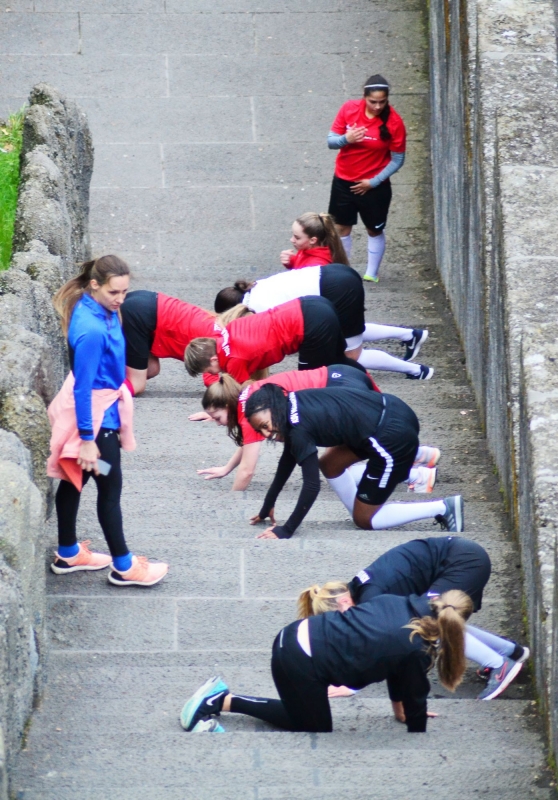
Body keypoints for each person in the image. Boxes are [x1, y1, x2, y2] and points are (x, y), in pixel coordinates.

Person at [179, 589, 473, 734]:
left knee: (311, 716)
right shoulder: (417, 648)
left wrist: (400, 712)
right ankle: (220, 699)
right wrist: (417, 730)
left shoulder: (397, 601)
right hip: (299, 660)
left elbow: (398, 671)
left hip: (296, 633)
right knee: (313, 725)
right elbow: (413, 690)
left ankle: (220, 697)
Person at [47, 256, 168, 587]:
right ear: (95, 285)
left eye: (125, 292)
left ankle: (69, 553)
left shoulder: (97, 308)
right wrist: (88, 441)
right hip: (98, 425)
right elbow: (84, 389)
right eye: (115, 292)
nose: (120, 299)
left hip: (98, 413)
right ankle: (125, 567)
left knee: (76, 479)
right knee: (109, 487)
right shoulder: (93, 330)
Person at [298, 537, 529, 702]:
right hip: (463, 555)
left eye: (338, 619)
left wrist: (352, 686)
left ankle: (499, 665)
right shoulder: (359, 587)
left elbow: (384, 647)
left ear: (344, 603)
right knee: (437, 618)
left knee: (431, 624)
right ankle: (510, 651)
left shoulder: (370, 597)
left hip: (463, 562)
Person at [243, 383, 463, 539]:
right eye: (260, 431)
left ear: (275, 409)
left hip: (391, 439)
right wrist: (267, 506)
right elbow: (287, 460)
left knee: (365, 520)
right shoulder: (291, 403)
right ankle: (363, 503)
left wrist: (287, 530)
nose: (266, 434)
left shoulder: (298, 429)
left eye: (265, 425)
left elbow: (311, 486)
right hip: (391, 409)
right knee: (330, 464)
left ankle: (442, 508)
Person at [192, 367, 438, 494]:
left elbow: (248, 471)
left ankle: (416, 476)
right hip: (342, 375)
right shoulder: (249, 398)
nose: (217, 423)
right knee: (369, 440)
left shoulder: (252, 411)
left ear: (229, 405)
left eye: (217, 417)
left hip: (337, 388)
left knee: (346, 455)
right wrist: (227, 468)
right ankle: (423, 455)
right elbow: (249, 444)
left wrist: (233, 499)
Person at [214, 264, 432, 378]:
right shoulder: (255, 287)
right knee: (350, 331)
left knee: (353, 355)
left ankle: (416, 370)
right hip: (336, 275)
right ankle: (410, 335)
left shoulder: (257, 309)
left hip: (334, 292)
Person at [328, 74, 405, 282]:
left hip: (374, 187)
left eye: (382, 102)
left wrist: (373, 182)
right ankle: (343, 272)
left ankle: (371, 274)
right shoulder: (349, 109)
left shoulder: (394, 122)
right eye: (373, 102)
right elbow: (331, 141)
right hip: (344, 181)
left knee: (374, 229)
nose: (378, 106)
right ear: (364, 96)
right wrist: (347, 139)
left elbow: (398, 160)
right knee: (341, 228)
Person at [184, 296, 365, 386]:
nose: (214, 374)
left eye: (209, 370)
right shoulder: (229, 329)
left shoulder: (233, 362)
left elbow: (248, 395)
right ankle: (371, 390)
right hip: (313, 304)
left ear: (213, 360)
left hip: (311, 325)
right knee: (340, 362)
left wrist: (215, 410)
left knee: (309, 384)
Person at [120, 289, 216, 394]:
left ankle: (109, 374)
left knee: (151, 369)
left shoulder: (222, 330)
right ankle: (105, 389)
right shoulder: (219, 340)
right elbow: (212, 379)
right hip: (140, 313)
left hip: (147, 303)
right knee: (137, 384)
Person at [279, 212, 349, 270]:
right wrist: (291, 261)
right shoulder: (307, 249)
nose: (291, 240)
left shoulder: (316, 267)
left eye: (297, 238)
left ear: (312, 240)